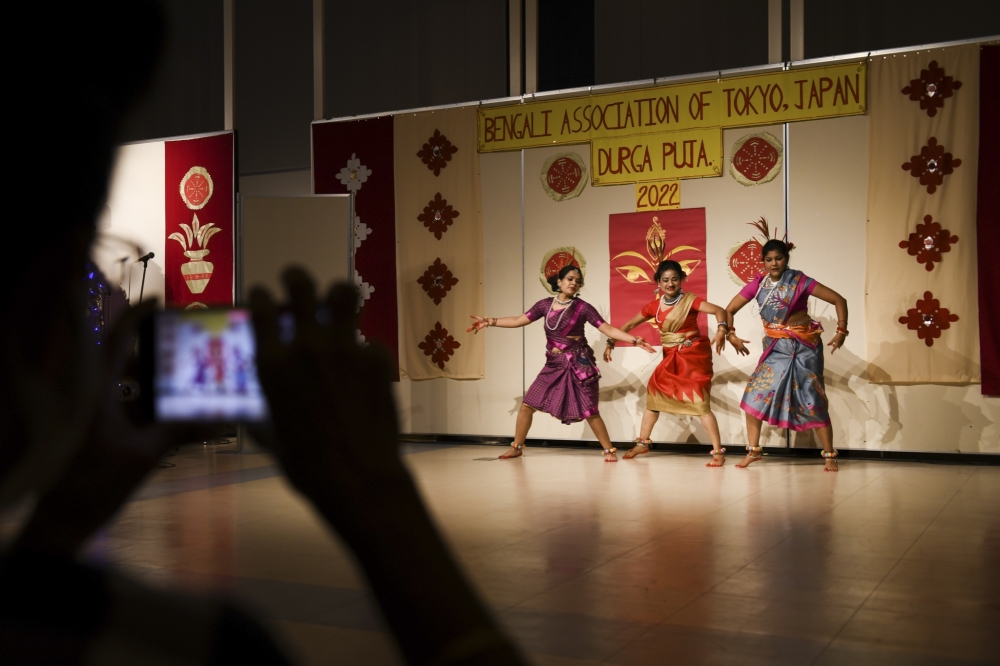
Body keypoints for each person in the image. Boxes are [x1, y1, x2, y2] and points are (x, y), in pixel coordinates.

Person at [1, 3, 526, 663]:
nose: (102, 295)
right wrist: (383, 509)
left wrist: (54, 533)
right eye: (88, 270)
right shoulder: (177, 644)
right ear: (39, 309)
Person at [468, 265, 655, 462]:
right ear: (559, 281)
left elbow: (607, 329)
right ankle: (516, 447)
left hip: (578, 363)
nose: (573, 283)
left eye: (577, 281)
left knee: (590, 410)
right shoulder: (544, 305)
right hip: (554, 364)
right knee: (527, 405)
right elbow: (518, 320)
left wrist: (634, 340)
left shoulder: (583, 308)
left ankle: (609, 450)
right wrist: (489, 321)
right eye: (569, 279)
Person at [724, 239, 849, 472]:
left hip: (804, 347)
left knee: (813, 398)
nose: (774, 263)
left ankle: (830, 455)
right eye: (769, 259)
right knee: (754, 395)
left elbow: (838, 300)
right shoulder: (758, 285)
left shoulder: (800, 281)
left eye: (778, 258)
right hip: (776, 348)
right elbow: (729, 310)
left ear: (786, 259)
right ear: (762, 261)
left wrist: (841, 331)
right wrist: (731, 334)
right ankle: (753, 451)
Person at [605, 260, 731, 466]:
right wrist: (611, 342)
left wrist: (721, 330)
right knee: (654, 393)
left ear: (682, 280)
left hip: (691, 357)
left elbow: (719, 310)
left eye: (674, 279)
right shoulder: (653, 307)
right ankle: (643, 443)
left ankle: (718, 452)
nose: (670, 284)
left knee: (699, 402)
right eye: (665, 280)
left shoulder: (691, 301)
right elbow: (628, 324)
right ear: (658, 282)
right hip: (671, 356)